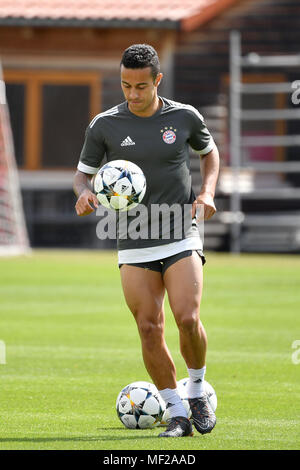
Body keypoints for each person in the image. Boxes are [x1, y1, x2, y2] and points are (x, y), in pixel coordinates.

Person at [73, 44, 219, 438]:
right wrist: (83, 194)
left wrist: (206, 193)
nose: (133, 94)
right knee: (148, 327)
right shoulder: (104, 125)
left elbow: (210, 153)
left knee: (187, 318)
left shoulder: (184, 117)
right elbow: (82, 175)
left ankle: (196, 389)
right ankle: (176, 415)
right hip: (134, 238)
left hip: (178, 231)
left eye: (141, 86)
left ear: (157, 80)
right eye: (125, 86)